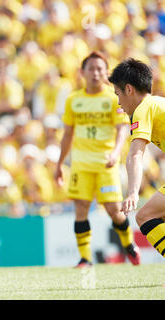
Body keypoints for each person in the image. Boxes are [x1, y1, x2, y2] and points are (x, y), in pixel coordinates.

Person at [54, 51, 141, 268]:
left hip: (106, 163)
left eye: (100, 69)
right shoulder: (74, 99)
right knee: (81, 207)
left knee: (114, 210)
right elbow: (67, 134)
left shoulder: (113, 98)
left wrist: (115, 152)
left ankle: (129, 244)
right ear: (82, 72)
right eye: (91, 68)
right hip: (81, 164)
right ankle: (85, 258)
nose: (96, 73)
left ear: (106, 73)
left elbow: (122, 128)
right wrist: (59, 164)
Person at [109, 58, 165, 259]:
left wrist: (132, 192)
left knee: (145, 215)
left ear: (129, 89)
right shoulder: (157, 104)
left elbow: (135, 153)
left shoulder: (143, 108)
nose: (119, 103)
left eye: (118, 94)